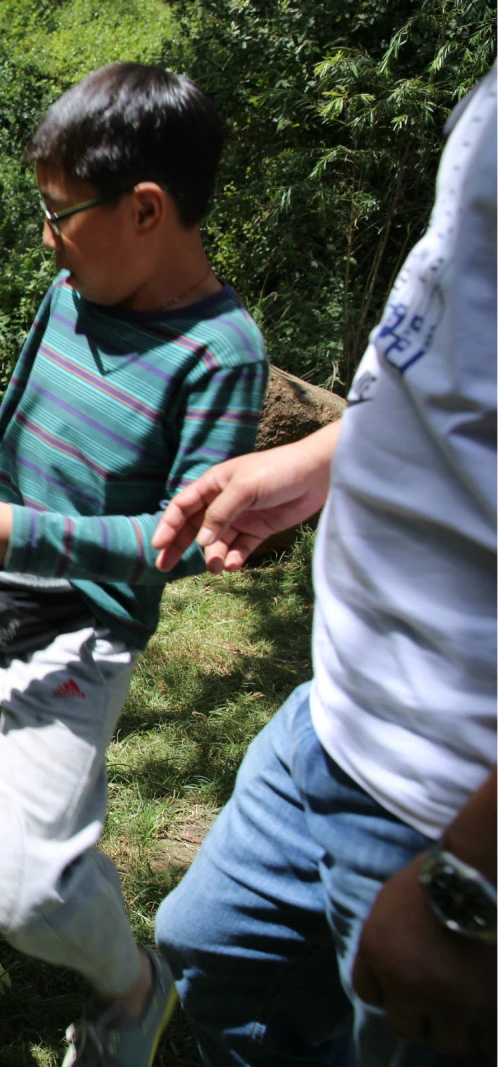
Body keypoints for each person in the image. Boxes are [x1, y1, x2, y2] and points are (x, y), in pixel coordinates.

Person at [0, 63, 268, 1065]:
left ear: (145, 209)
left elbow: (180, 548)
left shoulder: (221, 352)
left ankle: (131, 989)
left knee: (24, 877)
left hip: (78, 635)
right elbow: (16, 432)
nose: (45, 236)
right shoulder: (67, 295)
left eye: (57, 212)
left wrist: (22, 533)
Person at [151, 69, 496, 1066]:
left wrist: (470, 880)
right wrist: (317, 463)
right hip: (338, 716)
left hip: (449, 799)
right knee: (209, 951)